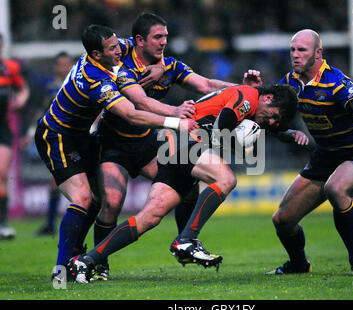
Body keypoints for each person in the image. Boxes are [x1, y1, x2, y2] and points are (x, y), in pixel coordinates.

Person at [68, 83, 301, 283]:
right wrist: (239, 146)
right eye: (273, 114)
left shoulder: (251, 106)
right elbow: (222, 126)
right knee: (226, 179)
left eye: (276, 120)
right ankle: (187, 239)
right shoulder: (249, 96)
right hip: (187, 141)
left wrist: (288, 133)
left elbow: (263, 127)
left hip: (175, 147)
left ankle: (86, 261)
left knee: (150, 216)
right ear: (267, 98)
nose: (270, 121)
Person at [91, 12, 263, 280]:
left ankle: (187, 242)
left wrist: (244, 89)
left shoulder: (170, 67)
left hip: (147, 144)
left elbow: (206, 84)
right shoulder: (121, 66)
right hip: (115, 144)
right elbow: (140, 104)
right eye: (158, 37)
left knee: (187, 186)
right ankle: (97, 264)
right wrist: (175, 113)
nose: (163, 42)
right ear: (139, 40)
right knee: (111, 204)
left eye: (166, 37)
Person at [34, 24, 198, 280]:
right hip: (57, 136)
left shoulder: (113, 49)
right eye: (112, 49)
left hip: (84, 136)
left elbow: (143, 47)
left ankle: (83, 255)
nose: (119, 50)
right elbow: (131, 113)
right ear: (97, 55)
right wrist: (177, 119)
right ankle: (62, 269)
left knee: (100, 200)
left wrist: (160, 65)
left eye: (117, 45)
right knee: (83, 198)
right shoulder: (94, 78)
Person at [270, 29, 353, 276]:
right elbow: (271, 120)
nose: (295, 55)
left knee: (336, 188)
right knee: (282, 220)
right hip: (325, 156)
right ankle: (299, 264)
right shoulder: (289, 84)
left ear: (318, 53)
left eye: (302, 50)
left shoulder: (336, 83)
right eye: (292, 50)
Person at [21, 52, 74, 236]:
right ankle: (51, 224)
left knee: (62, 182)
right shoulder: (51, 88)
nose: (65, 67)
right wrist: (29, 133)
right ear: (56, 67)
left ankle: (55, 224)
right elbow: (41, 112)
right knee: (56, 181)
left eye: (68, 64)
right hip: (59, 140)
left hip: (78, 138)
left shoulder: (78, 84)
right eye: (61, 64)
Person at [0, 33, 30, 240]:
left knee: (0, 174)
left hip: (3, 128)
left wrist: (20, 99)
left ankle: (2, 224)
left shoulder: (10, 68)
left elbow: (23, 89)